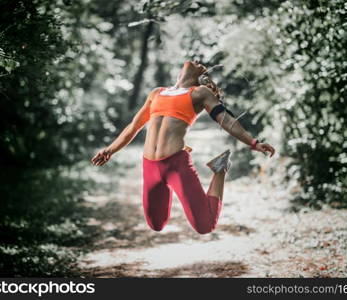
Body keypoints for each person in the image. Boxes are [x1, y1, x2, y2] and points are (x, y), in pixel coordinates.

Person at [91, 60, 275, 234]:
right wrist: (110, 150)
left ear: (200, 74)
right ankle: (171, 182)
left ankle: (220, 169)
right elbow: (134, 126)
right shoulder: (157, 93)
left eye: (199, 64)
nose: (196, 62)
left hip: (176, 165)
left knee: (205, 225)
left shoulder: (199, 93)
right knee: (156, 224)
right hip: (150, 166)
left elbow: (227, 120)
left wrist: (254, 143)